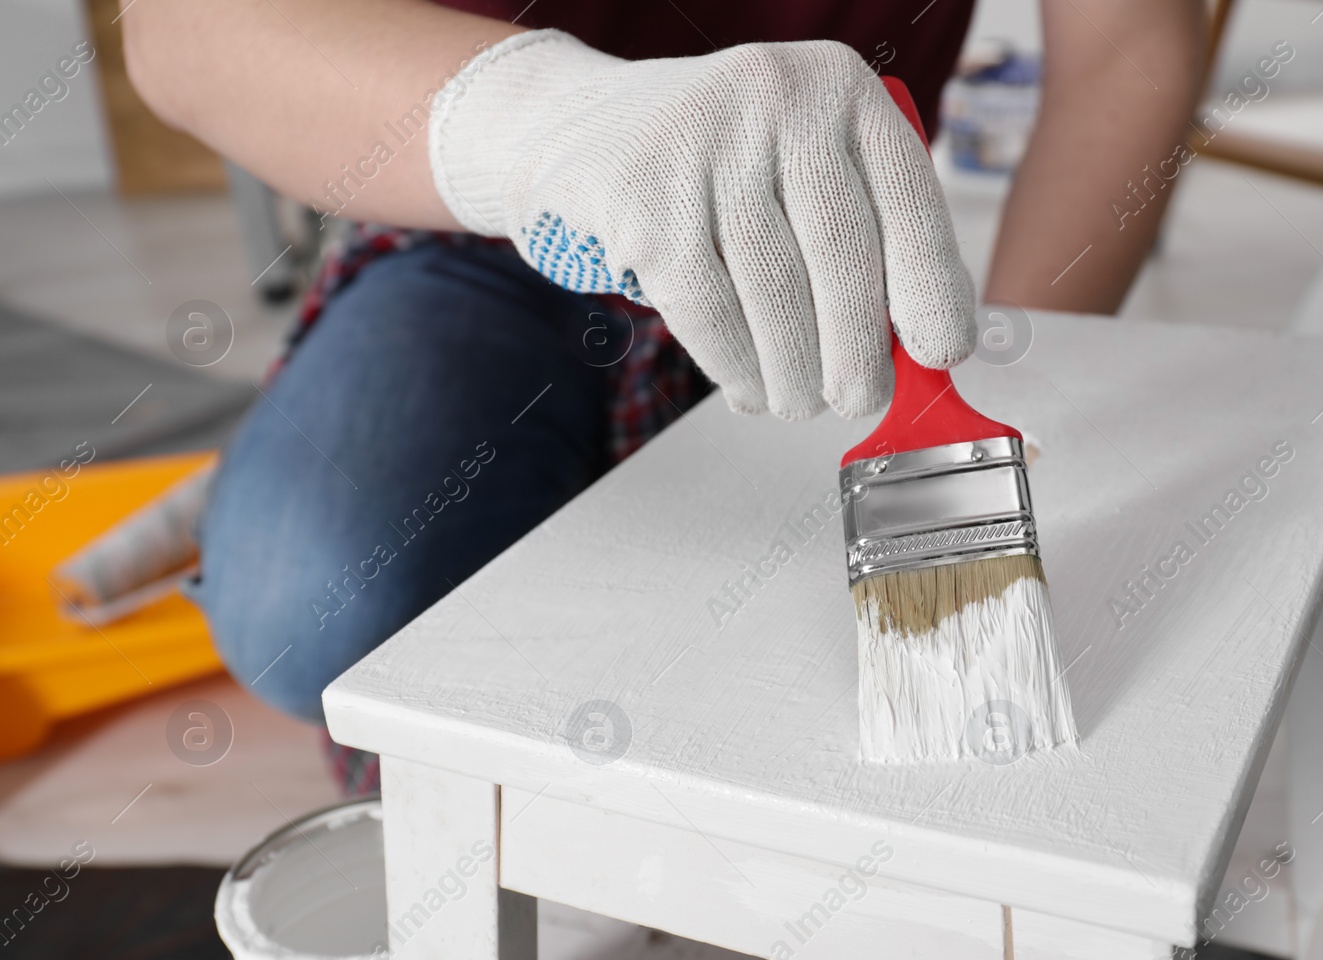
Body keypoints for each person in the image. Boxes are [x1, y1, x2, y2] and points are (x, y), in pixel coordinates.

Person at [123, 0, 1205, 790]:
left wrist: (1009, 355)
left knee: (755, 678)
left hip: (807, 240)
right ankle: (331, 417)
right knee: (309, 593)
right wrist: (547, 122)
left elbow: (1125, 45)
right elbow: (180, 27)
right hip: (477, 213)